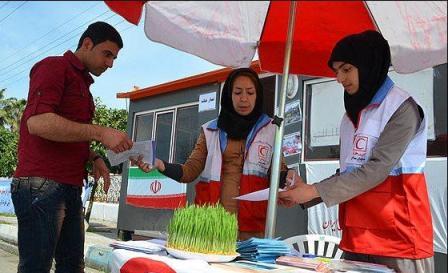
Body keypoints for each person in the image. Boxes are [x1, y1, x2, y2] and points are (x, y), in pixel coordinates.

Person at [279, 30, 434, 273]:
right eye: (336, 71)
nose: (339, 78)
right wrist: (306, 193)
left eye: (347, 69)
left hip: (399, 240)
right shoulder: (350, 117)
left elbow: (376, 169)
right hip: (356, 238)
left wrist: (313, 190)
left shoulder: (402, 109)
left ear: (369, 64)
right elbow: (350, 172)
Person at [12, 21, 133, 273]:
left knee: (72, 267)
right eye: (107, 54)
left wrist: (94, 156)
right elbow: (38, 122)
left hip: (68, 186)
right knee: (36, 268)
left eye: (114, 58)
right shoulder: (54, 67)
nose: (110, 63)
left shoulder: (84, 87)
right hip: (42, 184)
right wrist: (100, 132)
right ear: (87, 44)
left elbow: (68, 133)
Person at [133, 68, 293, 240]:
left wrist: (289, 178)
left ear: (258, 96)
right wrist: (159, 164)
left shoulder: (271, 130)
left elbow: (279, 172)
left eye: (250, 92)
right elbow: (189, 171)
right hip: (213, 228)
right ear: (228, 96)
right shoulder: (210, 130)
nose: (244, 98)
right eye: (237, 92)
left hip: (253, 230)